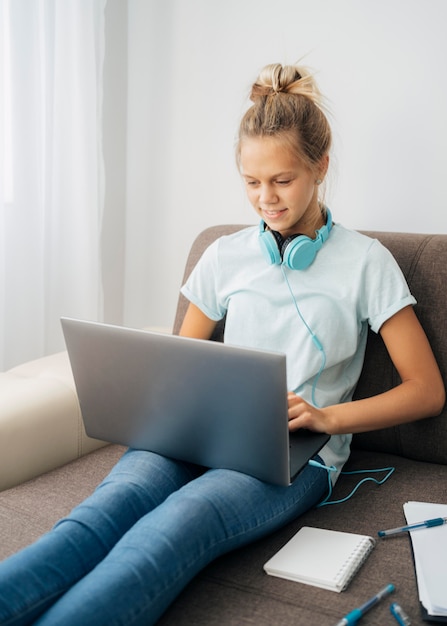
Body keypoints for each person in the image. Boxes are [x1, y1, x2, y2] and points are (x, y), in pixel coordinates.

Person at [0, 63, 444, 626]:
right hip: (194, 433)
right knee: (95, 518)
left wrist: (328, 417)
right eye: (252, 182)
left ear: (320, 167)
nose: (267, 199)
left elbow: (426, 391)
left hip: (292, 450)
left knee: (171, 529)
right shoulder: (224, 255)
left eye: (282, 180)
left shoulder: (366, 263)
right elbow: (178, 365)